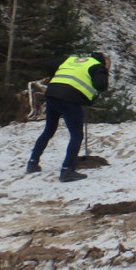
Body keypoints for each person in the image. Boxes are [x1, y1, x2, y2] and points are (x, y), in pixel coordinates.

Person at [26, 52, 111, 182]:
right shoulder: (97, 66)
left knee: (49, 130)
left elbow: (50, 65)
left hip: (52, 94)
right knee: (76, 135)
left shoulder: (72, 60)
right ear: (104, 62)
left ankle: (32, 162)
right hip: (69, 99)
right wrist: (103, 77)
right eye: (108, 67)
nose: (107, 69)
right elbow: (101, 85)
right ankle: (67, 170)